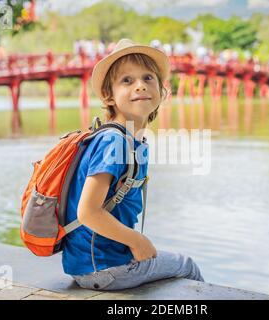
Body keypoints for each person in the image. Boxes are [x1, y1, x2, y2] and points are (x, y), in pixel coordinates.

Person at [63, 39, 204, 291]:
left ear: (162, 91)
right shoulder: (112, 140)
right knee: (187, 266)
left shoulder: (132, 140)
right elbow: (88, 212)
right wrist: (137, 241)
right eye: (127, 81)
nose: (140, 86)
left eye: (148, 78)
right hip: (105, 268)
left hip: (91, 265)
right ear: (109, 95)